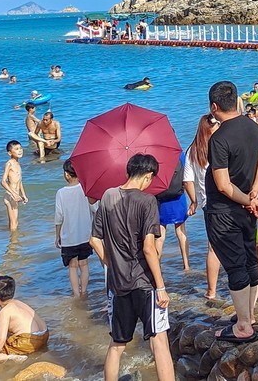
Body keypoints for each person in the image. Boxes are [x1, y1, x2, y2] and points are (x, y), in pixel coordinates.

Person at [89, 153, 174, 381]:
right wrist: (161, 287)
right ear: (148, 176)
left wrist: (110, 262)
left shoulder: (107, 197)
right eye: (151, 179)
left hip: (118, 284)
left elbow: (94, 240)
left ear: (128, 172)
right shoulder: (147, 202)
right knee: (159, 342)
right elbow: (148, 248)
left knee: (117, 343)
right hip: (144, 282)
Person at [204, 81, 258, 343]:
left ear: (214, 107)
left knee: (236, 267)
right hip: (245, 209)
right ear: (237, 103)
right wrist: (254, 192)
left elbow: (222, 185)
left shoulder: (219, 138)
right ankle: (248, 314)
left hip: (225, 212)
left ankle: (243, 326)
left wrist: (247, 200)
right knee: (250, 261)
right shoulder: (254, 128)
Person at [184, 114, 223, 300]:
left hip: (208, 204)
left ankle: (211, 290)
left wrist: (194, 201)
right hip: (227, 199)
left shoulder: (193, 150)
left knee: (213, 248)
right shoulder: (220, 145)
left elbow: (187, 181)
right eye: (216, 126)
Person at [0, 276, 49, 366]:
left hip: (28, 342)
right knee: (9, 334)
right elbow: (4, 312)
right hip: (44, 335)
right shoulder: (17, 302)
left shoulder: (4, 312)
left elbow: (0, 339)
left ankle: (13, 357)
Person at [55, 159, 93, 297]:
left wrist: (57, 235)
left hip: (69, 237)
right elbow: (94, 207)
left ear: (66, 174)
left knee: (72, 267)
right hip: (85, 235)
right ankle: (84, 292)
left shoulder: (61, 193)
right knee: (84, 265)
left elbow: (59, 217)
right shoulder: (85, 188)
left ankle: (76, 294)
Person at [1, 141, 28, 231]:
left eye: (20, 148)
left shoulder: (18, 163)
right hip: (10, 196)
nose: (20, 151)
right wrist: (14, 194)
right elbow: (3, 182)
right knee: (13, 223)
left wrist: (23, 194)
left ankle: (14, 241)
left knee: (15, 222)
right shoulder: (9, 164)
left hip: (16, 195)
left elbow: (19, 181)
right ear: (9, 153)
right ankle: (12, 243)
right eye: (16, 149)